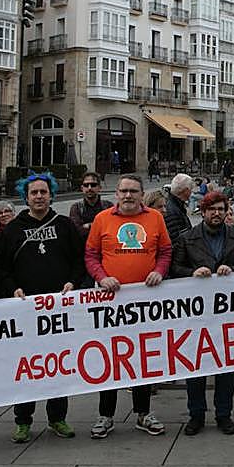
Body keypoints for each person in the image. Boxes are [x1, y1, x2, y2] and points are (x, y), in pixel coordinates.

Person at [0, 173, 84, 443]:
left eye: (43, 192)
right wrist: (13, 289)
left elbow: (79, 260)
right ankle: (23, 420)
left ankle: (57, 417)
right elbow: (1, 268)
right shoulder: (12, 230)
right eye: (34, 192)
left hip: (58, 309)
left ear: (51, 195)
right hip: (26, 310)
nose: (39, 197)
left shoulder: (65, 226)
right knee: (27, 366)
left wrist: (73, 281)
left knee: (59, 365)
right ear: (26, 196)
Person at [85, 174, 171, 439]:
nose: (128, 196)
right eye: (123, 191)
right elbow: (91, 254)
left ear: (142, 193)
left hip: (145, 301)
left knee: (142, 358)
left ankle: (143, 412)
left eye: (133, 191)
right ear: (117, 194)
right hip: (112, 302)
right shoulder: (102, 219)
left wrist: (159, 270)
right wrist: (101, 277)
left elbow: (166, 251)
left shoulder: (155, 218)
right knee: (110, 358)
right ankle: (106, 415)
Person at [171, 190, 234, 435]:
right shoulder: (187, 237)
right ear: (203, 212)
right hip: (196, 313)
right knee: (195, 366)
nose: (216, 213)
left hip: (228, 313)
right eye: (212, 210)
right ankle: (196, 414)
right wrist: (192, 273)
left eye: (221, 209)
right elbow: (175, 269)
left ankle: (223, 414)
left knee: (226, 367)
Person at [69, 171, 109, 243]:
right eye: (86, 185)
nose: (89, 188)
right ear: (82, 188)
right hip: (83, 250)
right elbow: (77, 231)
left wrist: (88, 226)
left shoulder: (108, 206)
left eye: (93, 185)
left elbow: (111, 229)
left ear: (99, 187)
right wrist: (100, 226)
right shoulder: (76, 208)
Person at [165, 173, 195, 242]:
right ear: (186, 191)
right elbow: (177, 238)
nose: (191, 192)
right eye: (191, 189)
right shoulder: (172, 209)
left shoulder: (176, 204)